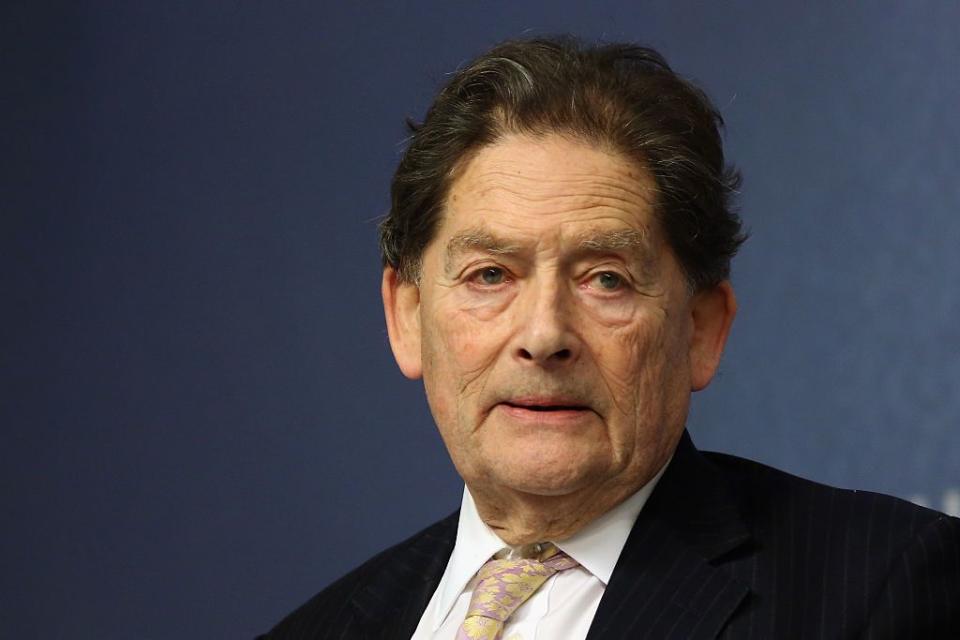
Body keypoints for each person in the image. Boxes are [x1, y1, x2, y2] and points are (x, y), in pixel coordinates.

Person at [259, 36, 960, 639]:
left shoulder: (878, 592)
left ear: (700, 330)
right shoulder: (319, 627)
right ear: (407, 317)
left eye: (605, 280)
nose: (543, 335)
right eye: (490, 274)